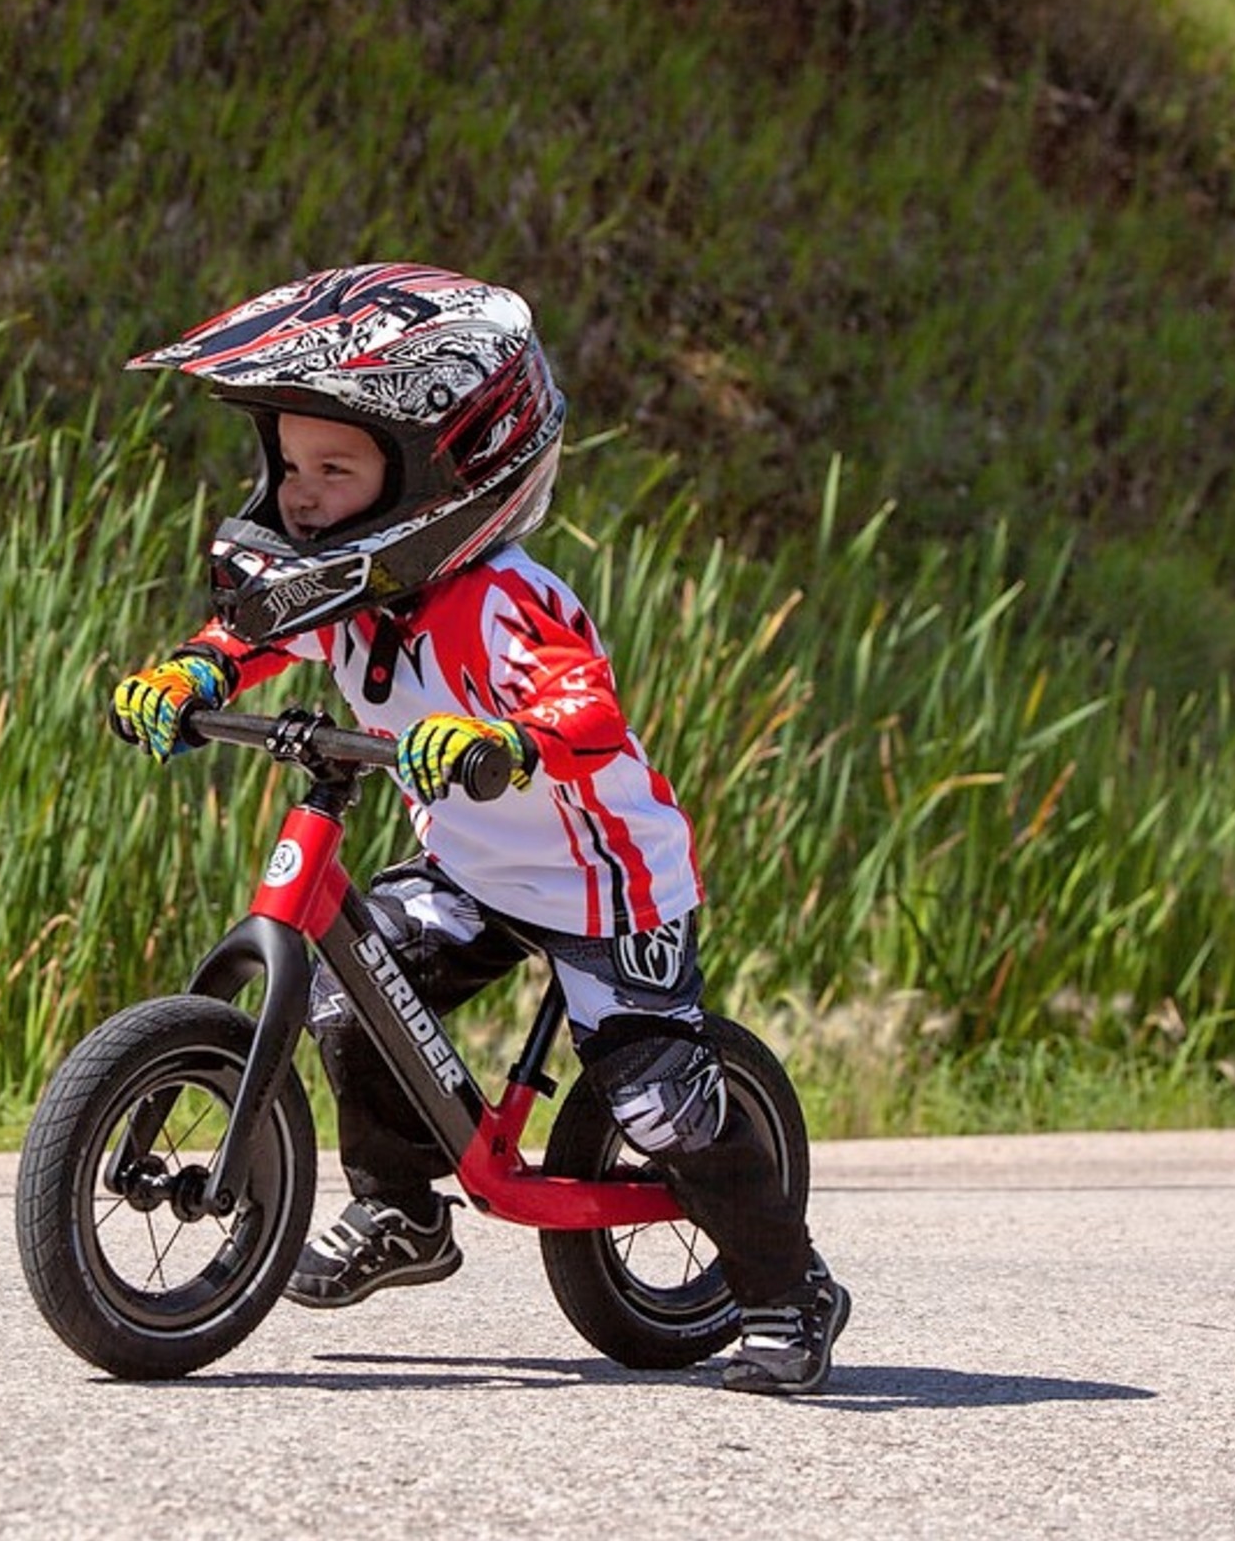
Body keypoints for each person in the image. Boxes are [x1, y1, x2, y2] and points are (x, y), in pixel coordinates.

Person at [107, 263, 848, 1394]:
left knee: (657, 1099)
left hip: (606, 887)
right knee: (349, 1000)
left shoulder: (504, 597)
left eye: (334, 469)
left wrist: (502, 741)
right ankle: (404, 1213)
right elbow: (254, 632)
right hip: (473, 869)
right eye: (290, 465)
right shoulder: (348, 585)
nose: (299, 495)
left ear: (441, 477)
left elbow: (581, 708)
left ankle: (788, 1288)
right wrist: (192, 669)